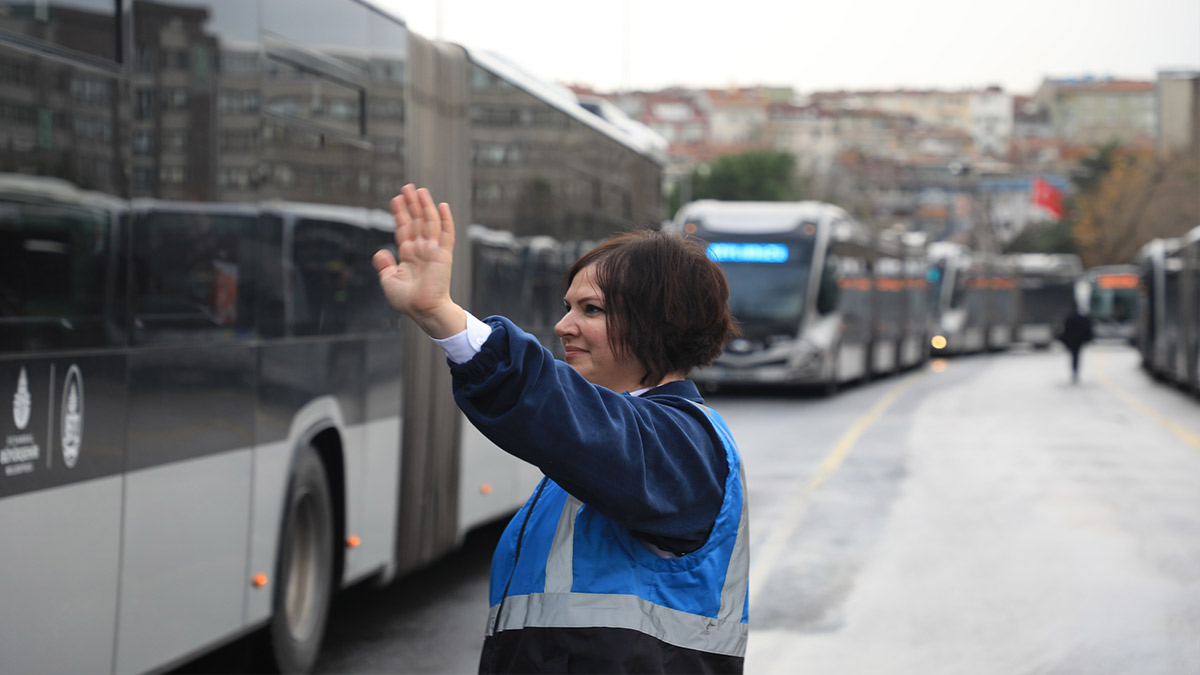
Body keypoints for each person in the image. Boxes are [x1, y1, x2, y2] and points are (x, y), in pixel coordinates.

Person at [372, 184, 750, 674]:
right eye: (568, 307)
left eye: (590, 310)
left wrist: (444, 317)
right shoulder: (625, 437)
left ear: (661, 322)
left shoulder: (684, 445)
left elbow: (559, 410)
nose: (562, 325)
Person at [1058, 304, 1094, 383]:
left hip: (1073, 340)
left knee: (1074, 356)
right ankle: (1075, 372)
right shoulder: (1081, 318)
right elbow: (1087, 329)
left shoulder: (1069, 318)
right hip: (1079, 340)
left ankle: (1074, 372)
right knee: (1076, 356)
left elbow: (1065, 330)